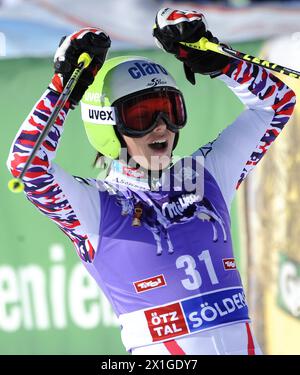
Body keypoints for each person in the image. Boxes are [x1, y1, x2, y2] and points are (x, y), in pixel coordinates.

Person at [7, 8, 296, 355]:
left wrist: (215, 59)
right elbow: (28, 166)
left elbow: (276, 103)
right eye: (142, 116)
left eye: (169, 109)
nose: (161, 126)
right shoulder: (96, 207)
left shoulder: (205, 176)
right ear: (108, 126)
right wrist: (63, 90)